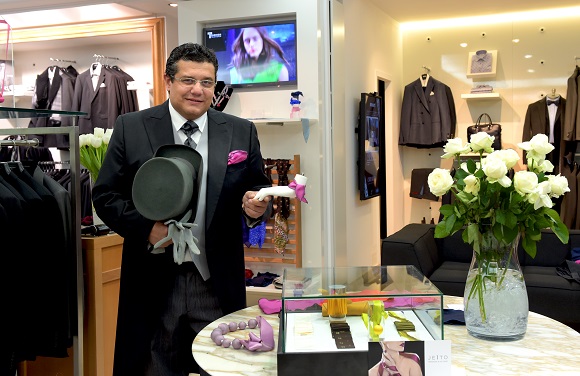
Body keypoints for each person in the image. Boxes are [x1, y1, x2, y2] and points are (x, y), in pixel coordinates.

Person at [92, 42, 272, 375]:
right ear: (168, 81)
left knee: (226, 367)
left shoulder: (239, 130)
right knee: (153, 365)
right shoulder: (132, 127)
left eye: (207, 82)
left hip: (215, 280)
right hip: (153, 281)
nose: (198, 90)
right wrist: (147, 227)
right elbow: (105, 195)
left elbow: (259, 188)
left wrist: (256, 207)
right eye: (188, 80)